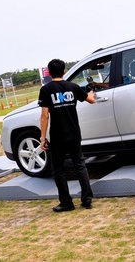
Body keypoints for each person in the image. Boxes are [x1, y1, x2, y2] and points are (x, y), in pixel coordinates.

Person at [38, 59, 96, 212]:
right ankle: (87, 199)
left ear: (49, 73)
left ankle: (66, 203)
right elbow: (90, 100)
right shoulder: (73, 87)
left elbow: (45, 116)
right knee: (80, 165)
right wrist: (90, 93)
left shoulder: (46, 90)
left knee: (59, 169)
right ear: (64, 71)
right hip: (74, 134)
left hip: (58, 136)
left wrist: (42, 138)